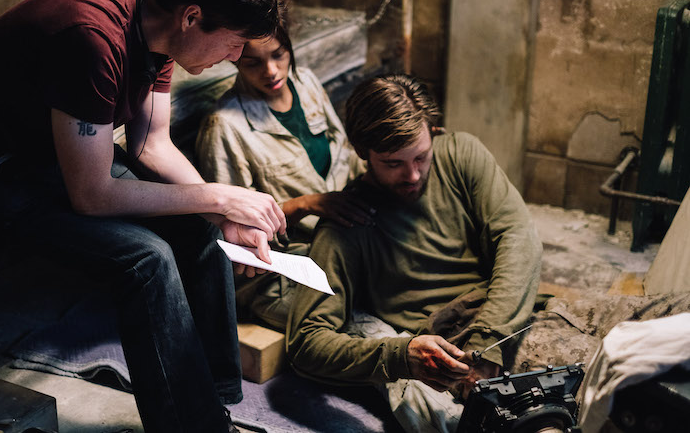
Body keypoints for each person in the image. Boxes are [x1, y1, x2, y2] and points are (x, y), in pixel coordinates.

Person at [0, 0, 286, 432]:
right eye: (235, 41)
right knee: (146, 259)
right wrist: (220, 194)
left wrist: (223, 212)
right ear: (192, 17)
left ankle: (213, 405)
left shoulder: (159, 22)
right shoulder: (93, 37)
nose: (235, 56)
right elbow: (92, 195)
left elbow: (152, 145)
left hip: (54, 158)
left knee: (201, 232)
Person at [286, 74, 690, 433]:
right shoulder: (346, 225)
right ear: (361, 151)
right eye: (393, 164)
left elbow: (518, 238)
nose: (412, 175)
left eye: (420, 157)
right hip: (462, 339)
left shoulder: (461, 154)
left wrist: (491, 338)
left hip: (529, 312)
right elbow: (306, 343)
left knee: (680, 315)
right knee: (641, 389)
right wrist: (400, 355)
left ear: (433, 130)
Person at [195, 4, 368, 329]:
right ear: (235, 60)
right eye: (253, 63)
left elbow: (345, 152)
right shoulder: (225, 126)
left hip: (343, 234)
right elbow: (232, 235)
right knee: (351, 321)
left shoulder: (306, 83)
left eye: (279, 55)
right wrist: (307, 205)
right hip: (283, 265)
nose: (272, 71)